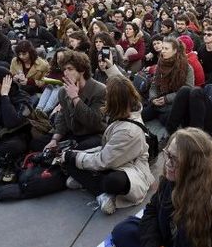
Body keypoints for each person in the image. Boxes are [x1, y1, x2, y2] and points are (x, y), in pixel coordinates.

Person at [61, 75, 154, 215]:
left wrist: (74, 158)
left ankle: (99, 191)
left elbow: (104, 161)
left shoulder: (128, 131)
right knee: (72, 154)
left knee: (112, 181)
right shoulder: (126, 109)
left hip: (130, 168)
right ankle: (88, 179)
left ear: (113, 101)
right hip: (114, 155)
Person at [43, 50, 106, 151]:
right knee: (39, 143)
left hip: (93, 134)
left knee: (79, 149)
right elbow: (63, 117)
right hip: (73, 132)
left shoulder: (99, 90)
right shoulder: (63, 91)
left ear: (82, 70)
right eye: (64, 69)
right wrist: (54, 140)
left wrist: (75, 98)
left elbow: (94, 122)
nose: (65, 73)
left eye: (70, 69)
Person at [142, 37, 193, 127]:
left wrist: (167, 99)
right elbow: (154, 84)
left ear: (175, 50)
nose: (163, 51)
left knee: (166, 120)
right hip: (158, 100)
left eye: (166, 49)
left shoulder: (186, 67)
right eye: (163, 48)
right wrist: (153, 98)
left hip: (174, 102)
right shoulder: (160, 63)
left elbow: (187, 90)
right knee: (142, 115)